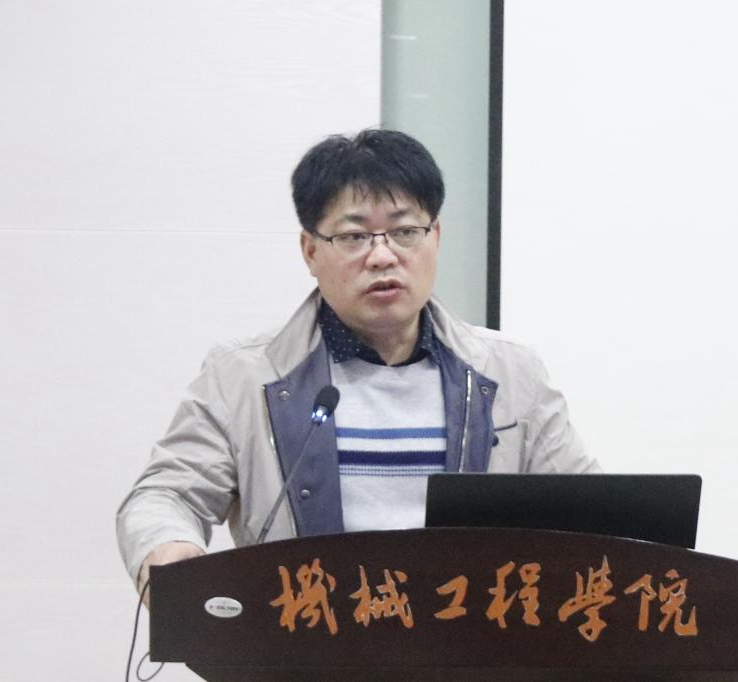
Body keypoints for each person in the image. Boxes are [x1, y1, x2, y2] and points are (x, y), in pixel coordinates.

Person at [116, 129, 599, 598]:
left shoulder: (511, 371)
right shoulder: (242, 375)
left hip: (466, 639)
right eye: (354, 236)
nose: (382, 256)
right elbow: (168, 494)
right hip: (303, 638)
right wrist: (167, 548)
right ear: (310, 251)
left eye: (405, 232)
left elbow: (590, 513)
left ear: (436, 237)